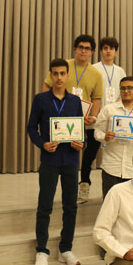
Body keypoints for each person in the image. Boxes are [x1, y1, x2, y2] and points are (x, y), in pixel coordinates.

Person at [29, 58, 86, 265]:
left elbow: (81, 131)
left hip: (71, 160)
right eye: (55, 73)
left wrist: (81, 143)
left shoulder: (75, 101)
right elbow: (31, 128)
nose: (59, 77)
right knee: (45, 206)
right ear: (50, 75)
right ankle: (41, 250)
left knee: (71, 206)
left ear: (67, 75)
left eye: (63, 73)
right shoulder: (41, 99)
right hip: (50, 161)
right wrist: (42, 144)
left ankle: (66, 248)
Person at [42, 34, 103, 204]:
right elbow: (46, 86)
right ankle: (50, 192)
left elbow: (97, 99)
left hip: (82, 123)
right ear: (75, 49)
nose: (83, 51)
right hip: (59, 120)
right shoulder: (64, 66)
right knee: (56, 156)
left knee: (78, 157)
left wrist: (93, 116)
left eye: (87, 48)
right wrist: (47, 107)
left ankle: (75, 191)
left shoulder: (96, 74)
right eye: (80, 47)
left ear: (92, 52)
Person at [94, 76, 133, 197]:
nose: (126, 91)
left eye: (129, 88)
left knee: (132, 204)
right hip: (111, 166)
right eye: (122, 88)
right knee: (110, 203)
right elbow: (97, 131)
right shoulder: (109, 110)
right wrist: (104, 136)